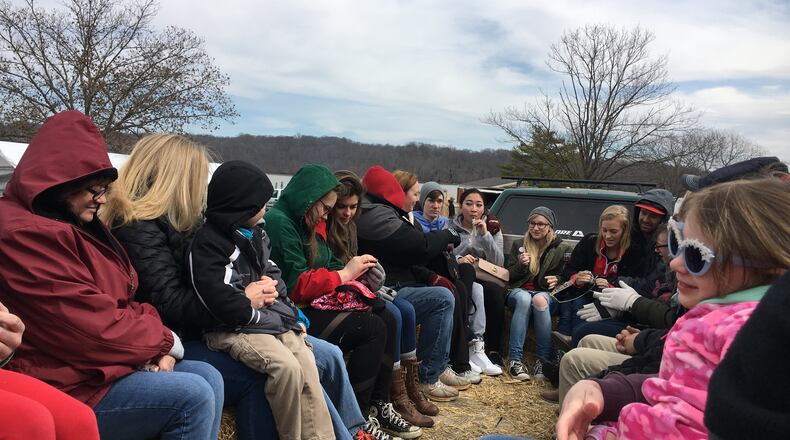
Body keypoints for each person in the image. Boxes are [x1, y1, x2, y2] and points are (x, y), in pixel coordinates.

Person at [103, 136, 382, 440]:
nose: (202, 191)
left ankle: (349, 433)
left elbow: (243, 267)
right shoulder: (139, 228)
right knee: (273, 371)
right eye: (196, 180)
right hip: (195, 332)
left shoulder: (185, 220)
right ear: (175, 180)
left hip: (230, 318)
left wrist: (266, 292)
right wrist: (244, 298)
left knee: (321, 356)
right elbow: (171, 303)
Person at [0, 111, 223, 440]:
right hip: (65, 378)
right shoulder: (25, 233)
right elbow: (90, 328)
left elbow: (130, 302)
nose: (103, 199)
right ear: (62, 182)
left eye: (104, 188)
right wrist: (163, 340)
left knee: (208, 375)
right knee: (192, 395)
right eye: (94, 190)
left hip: (96, 365)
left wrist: (158, 345)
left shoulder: (78, 224)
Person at [556, 178, 789, 440]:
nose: (676, 262)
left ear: (768, 266)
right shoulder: (713, 317)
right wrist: (604, 396)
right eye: (677, 244)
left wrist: (606, 432)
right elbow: (676, 394)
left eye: (697, 255)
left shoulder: (747, 337)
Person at [265, 164, 421, 439]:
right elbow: (295, 285)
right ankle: (359, 421)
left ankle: (379, 404)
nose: (329, 215)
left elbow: (329, 262)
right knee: (372, 328)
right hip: (293, 313)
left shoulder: (306, 221)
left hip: (312, 304)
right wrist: (345, 274)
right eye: (327, 208)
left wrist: (359, 278)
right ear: (309, 200)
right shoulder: (281, 222)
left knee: (386, 314)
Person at [189, 161, 333, 440]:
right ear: (242, 206)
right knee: (286, 369)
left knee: (305, 358)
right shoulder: (208, 244)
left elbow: (272, 270)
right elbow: (217, 298)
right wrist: (259, 303)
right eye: (261, 203)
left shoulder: (256, 234)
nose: (266, 208)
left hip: (266, 320)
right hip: (233, 327)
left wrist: (276, 289)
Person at [327, 171, 434, 428]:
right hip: (333, 296)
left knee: (403, 310)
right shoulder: (327, 226)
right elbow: (330, 269)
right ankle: (379, 402)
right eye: (341, 206)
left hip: (351, 289)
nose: (348, 212)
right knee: (390, 315)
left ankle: (402, 392)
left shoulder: (352, 226)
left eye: (353, 207)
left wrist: (370, 279)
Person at [355, 166, 460, 402]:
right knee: (441, 299)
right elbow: (417, 247)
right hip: (386, 288)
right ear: (395, 192)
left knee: (455, 289)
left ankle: (443, 366)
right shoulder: (376, 214)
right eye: (416, 193)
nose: (417, 199)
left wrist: (430, 276)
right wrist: (448, 235)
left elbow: (406, 255)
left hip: (392, 282)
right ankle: (427, 377)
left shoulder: (382, 212)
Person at [0, 302, 100, 440]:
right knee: (28, 421)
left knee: (78, 420)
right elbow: (94, 335)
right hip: (77, 376)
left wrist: (5, 335)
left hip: (107, 366)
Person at [555, 205, 644, 349]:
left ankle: (572, 348)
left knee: (579, 306)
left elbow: (637, 284)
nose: (607, 236)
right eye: (604, 230)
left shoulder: (634, 251)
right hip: (584, 294)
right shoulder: (590, 242)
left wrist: (609, 284)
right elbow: (568, 271)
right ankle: (565, 350)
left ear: (625, 231)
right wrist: (576, 277)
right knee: (573, 303)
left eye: (614, 231)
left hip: (615, 304)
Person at [504, 207, 573, 382]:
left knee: (539, 299)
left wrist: (557, 279)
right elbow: (508, 276)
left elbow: (568, 276)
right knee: (525, 298)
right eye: (532, 223)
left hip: (547, 295)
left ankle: (543, 360)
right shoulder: (519, 245)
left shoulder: (561, 247)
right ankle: (515, 360)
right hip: (519, 291)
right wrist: (520, 265)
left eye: (541, 224)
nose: (535, 228)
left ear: (550, 227)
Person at [451, 188, 507, 375]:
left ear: (484, 208)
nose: (473, 209)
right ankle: (471, 342)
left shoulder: (493, 229)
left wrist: (485, 236)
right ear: (460, 206)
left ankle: (492, 350)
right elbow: (445, 255)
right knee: (476, 290)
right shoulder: (450, 227)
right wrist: (463, 253)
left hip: (485, 275)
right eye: (468, 203)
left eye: (478, 204)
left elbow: (499, 262)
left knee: (495, 293)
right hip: (461, 275)